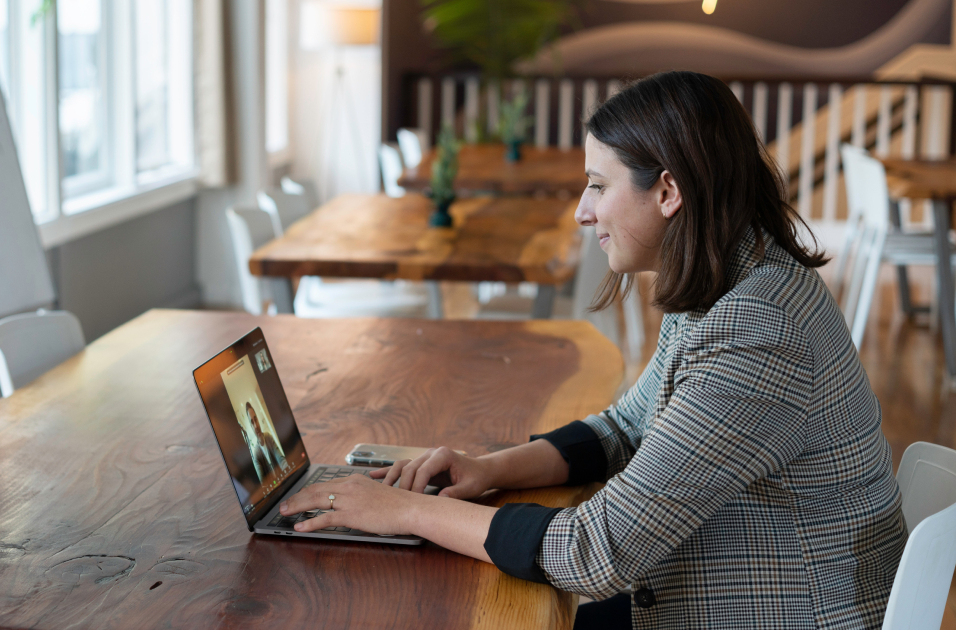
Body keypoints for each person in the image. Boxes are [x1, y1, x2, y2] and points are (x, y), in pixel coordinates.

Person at [279, 71, 906, 630]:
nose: (582, 212)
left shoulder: (761, 328)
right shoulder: (733, 280)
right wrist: (489, 469)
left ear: (667, 192)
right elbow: (624, 428)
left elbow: (596, 552)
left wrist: (404, 513)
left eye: (598, 186)